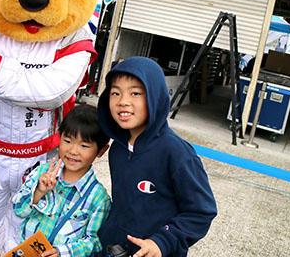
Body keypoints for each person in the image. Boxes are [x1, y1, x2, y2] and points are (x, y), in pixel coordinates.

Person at [97, 57, 217, 257]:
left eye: (135, 93)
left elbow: (201, 212)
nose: (123, 101)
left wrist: (162, 242)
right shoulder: (118, 149)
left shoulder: (176, 152)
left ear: (155, 97)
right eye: (115, 93)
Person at [12, 104, 111, 257]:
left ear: (101, 151)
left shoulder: (98, 198)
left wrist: (63, 252)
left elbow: (93, 242)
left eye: (84, 145)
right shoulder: (43, 172)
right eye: (67, 141)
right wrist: (38, 192)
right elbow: (18, 209)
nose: (73, 151)